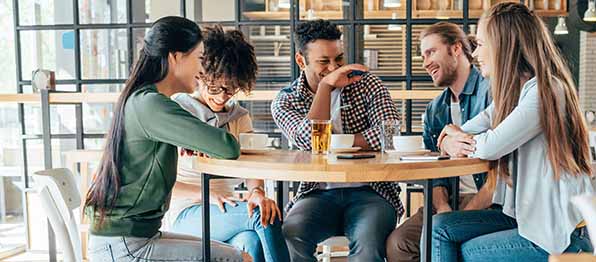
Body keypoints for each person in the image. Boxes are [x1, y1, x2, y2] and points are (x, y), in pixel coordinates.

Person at [430, 2, 594, 261]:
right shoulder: (516, 94)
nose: (475, 54)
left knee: (466, 252)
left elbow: (489, 146)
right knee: (440, 228)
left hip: (557, 235)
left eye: (481, 44)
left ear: (504, 45)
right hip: (529, 221)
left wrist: (455, 140)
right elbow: (467, 129)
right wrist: (449, 140)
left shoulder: (545, 90)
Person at [84, 17, 245, 261]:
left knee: (236, 255)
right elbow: (227, 146)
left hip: (131, 237)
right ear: (176, 57)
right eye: (200, 59)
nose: (203, 71)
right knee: (236, 258)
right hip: (124, 245)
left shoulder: (142, 99)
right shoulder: (151, 104)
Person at [270, 19, 402, 262]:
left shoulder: (366, 83)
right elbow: (308, 140)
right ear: (301, 61)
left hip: (371, 191)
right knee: (290, 236)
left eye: (338, 59)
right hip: (317, 193)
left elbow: (389, 132)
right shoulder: (285, 101)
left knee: (369, 242)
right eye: (323, 62)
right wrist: (326, 88)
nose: (334, 68)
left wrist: (338, 142)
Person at [166, 25, 289, 262]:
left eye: (231, 89)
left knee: (251, 239)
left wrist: (256, 192)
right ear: (200, 75)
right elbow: (162, 184)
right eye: (215, 88)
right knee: (263, 216)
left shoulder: (239, 117)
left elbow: (252, 166)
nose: (222, 96)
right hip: (185, 213)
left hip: (226, 210)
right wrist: (207, 195)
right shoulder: (177, 112)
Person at [385, 22, 490, 262]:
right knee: (398, 244)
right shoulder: (435, 109)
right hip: (449, 200)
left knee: (443, 235)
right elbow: (434, 170)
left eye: (431, 52)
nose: (425, 63)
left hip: (490, 201)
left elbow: (504, 169)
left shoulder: (490, 92)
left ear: (456, 49)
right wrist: (443, 207)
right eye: (423, 56)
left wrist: (466, 213)